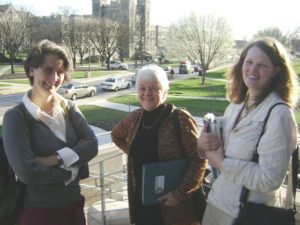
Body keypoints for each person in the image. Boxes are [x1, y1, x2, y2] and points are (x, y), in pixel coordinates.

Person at [197, 37, 299, 225]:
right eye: (249, 62)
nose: (252, 70)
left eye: (262, 65)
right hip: (216, 204)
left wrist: (222, 162)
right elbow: (218, 149)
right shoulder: (236, 106)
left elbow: (269, 180)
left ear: (276, 71)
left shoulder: (279, 115)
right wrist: (202, 145)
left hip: (247, 215)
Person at [2, 39, 98, 225]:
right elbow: (27, 172)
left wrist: (54, 159)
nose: (54, 78)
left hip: (75, 209)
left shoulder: (68, 107)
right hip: (41, 214)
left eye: (60, 72)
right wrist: (72, 171)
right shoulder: (16, 118)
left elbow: (92, 144)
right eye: (48, 69)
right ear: (31, 70)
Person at [111, 64, 207, 225]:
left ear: (165, 92)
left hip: (174, 207)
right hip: (142, 202)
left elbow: (199, 159)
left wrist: (179, 194)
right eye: (142, 88)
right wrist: (133, 152)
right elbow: (116, 135)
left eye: (154, 88)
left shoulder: (180, 119)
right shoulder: (134, 118)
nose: (147, 93)